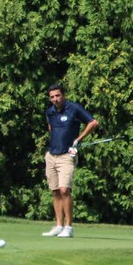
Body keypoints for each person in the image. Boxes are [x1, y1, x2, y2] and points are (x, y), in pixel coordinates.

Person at [42, 83, 99, 238]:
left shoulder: (73, 108)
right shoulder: (50, 112)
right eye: (52, 97)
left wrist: (78, 139)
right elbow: (51, 129)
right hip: (51, 155)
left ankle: (69, 227)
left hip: (67, 155)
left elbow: (93, 122)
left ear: (63, 95)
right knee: (55, 191)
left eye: (58, 95)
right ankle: (59, 226)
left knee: (64, 190)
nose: (55, 99)